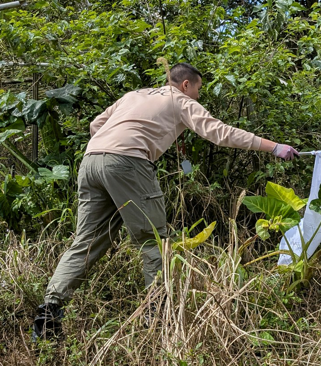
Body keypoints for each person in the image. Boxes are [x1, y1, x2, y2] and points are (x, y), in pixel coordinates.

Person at [32, 63, 298, 339]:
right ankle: (156, 320)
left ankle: (49, 312)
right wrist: (274, 147)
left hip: (91, 162)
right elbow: (220, 133)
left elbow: (95, 125)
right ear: (186, 85)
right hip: (128, 163)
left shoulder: (135, 95)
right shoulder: (182, 101)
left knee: (86, 242)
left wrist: (111, 149)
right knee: (154, 241)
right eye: (198, 89)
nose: (198, 96)